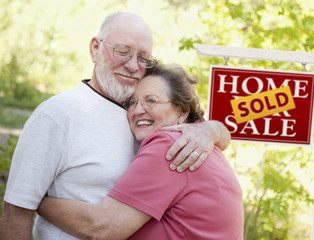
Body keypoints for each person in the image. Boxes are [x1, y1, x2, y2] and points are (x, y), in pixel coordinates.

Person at [0, 12, 231, 240]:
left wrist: (209, 130)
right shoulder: (56, 115)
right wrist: (34, 201)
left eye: (143, 57)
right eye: (122, 52)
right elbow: (16, 213)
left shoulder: (146, 119)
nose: (132, 65)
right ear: (95, 49)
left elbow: (217, 135)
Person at [37, 63, 244, 240]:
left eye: (151, 100)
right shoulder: (201, 144)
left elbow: (101, 228)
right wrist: (214, 129)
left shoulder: (169, 145)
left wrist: (35, 199)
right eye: (132, 102)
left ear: (182, 111)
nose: (137, 110)